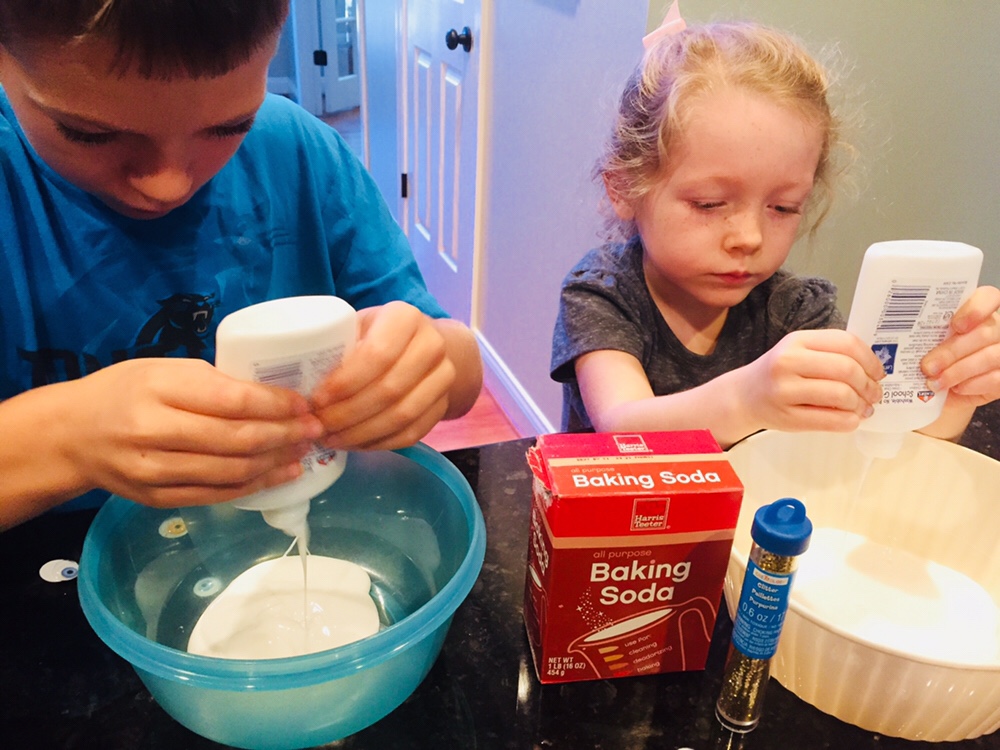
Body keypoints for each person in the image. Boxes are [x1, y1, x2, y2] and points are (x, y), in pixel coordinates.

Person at [0, 0, 483, 528]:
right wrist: (66, 439)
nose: (169, 183)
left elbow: (459, 368)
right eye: (89, 133)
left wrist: (429, 366)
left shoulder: (296, 150)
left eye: (229, 126)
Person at [551, 10, 1000, 448]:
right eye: (709, 204)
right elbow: (622, 428)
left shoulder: (796, 311)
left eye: (783, 207)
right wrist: (746, 400)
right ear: (626, 189)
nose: (750, 237)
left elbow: (869, 445)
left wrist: (951, 396)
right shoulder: (603, 293)